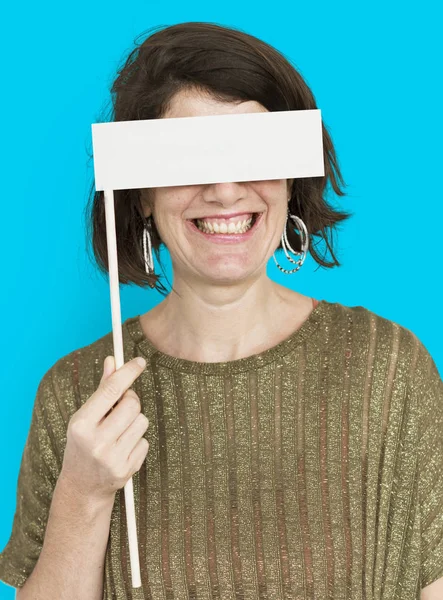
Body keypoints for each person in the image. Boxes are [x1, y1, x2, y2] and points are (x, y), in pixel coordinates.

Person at [0, 21, 442, 600]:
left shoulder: (388, 371)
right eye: (187, 159)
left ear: (291, 180)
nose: (224, 190)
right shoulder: (75, 396)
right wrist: (84, 493)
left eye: (252, 154)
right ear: (143, 196)